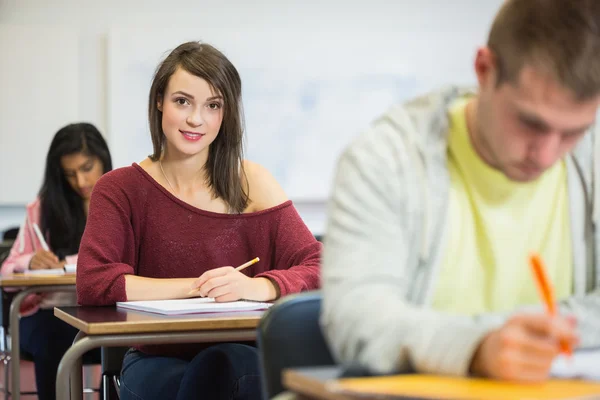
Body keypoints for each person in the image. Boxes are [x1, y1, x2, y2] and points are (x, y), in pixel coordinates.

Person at [322, 0, 600, 383]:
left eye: (573, 132)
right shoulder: (385, 159)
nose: (547, 154)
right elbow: (358, 317)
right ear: (485, 69)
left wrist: (475, 335)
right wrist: (477, 346)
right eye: (530, 123)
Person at [76, 41, 321, 400]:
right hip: (153, 360)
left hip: (241, 357)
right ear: (159, 100)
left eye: (213, 105)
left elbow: (319, 264)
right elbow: (94, 281)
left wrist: (255, 287)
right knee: (218, 373)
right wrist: (198, 286)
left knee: (225, 363)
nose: (196, 119)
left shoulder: (252, 182)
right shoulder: (119, 189)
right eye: (182, 101)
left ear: (227, 113)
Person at [1, 122, 112, 400]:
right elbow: (6, 270)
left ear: (103, 159)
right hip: (49, 312)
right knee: (55, 337)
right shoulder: (43, 207)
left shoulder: (119, 202)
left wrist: (67, 263)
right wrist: (29, 261)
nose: (81, 181)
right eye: (69, 174)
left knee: (123, 344)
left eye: (87, 168)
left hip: (103, 310)